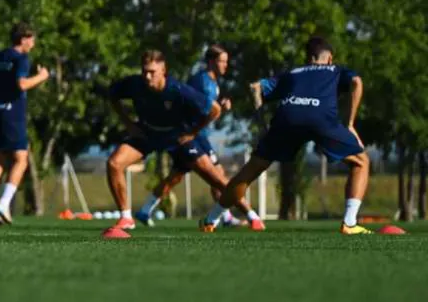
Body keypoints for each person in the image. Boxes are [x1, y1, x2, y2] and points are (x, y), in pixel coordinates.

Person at [219, 36, 375, 235]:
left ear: (308, 58)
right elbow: (356, 82)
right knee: (361, 162)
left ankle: (211, 219)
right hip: (321, 118)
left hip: (287, 117)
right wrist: (350, 123)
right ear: (329, 58)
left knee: (252, 169)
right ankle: (349, 223)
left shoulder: (293, 73)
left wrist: (262, 123)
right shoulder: (335, 70)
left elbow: (255, 87)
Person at [100, 50, 258, 239]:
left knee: (216, 180)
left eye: (152, 72)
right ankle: (126, 218)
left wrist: (193, 133)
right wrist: (128, 123)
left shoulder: (178, 90)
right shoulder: (135, 84)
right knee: (114, 164)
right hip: (147, 133)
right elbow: (113, 94)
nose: (147, 76)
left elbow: (214, 110)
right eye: (144, 71)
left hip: (177, 137)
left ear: (163, 70)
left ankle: (253, 216)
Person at [0, 24, 49, 225]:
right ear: (23, 39)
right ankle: (3, 204)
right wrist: (42, 77)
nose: (33, 44)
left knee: (0, 159)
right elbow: (22, 84)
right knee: (21, 159)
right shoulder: (21, 59)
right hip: (12, 113)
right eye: (31, 39)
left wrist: (0, 83)